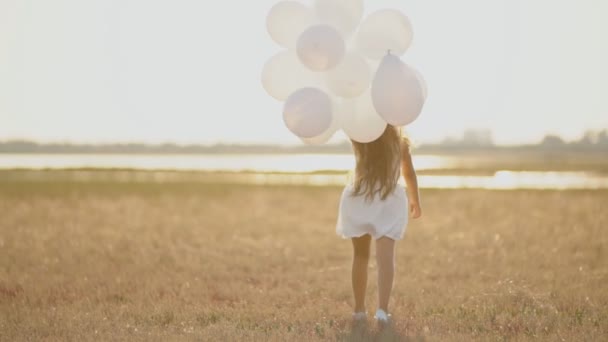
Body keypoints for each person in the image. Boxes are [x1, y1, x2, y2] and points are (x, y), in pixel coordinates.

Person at [336, 124, 422, 327]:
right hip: (387, 200)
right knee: (385, 259)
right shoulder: (399, 142)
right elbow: (408, 172)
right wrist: (415, 200)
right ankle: (382, 310)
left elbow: (346, 125)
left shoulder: (360, 136)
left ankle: (359, 310)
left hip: (360, 197)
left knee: (361, 256)